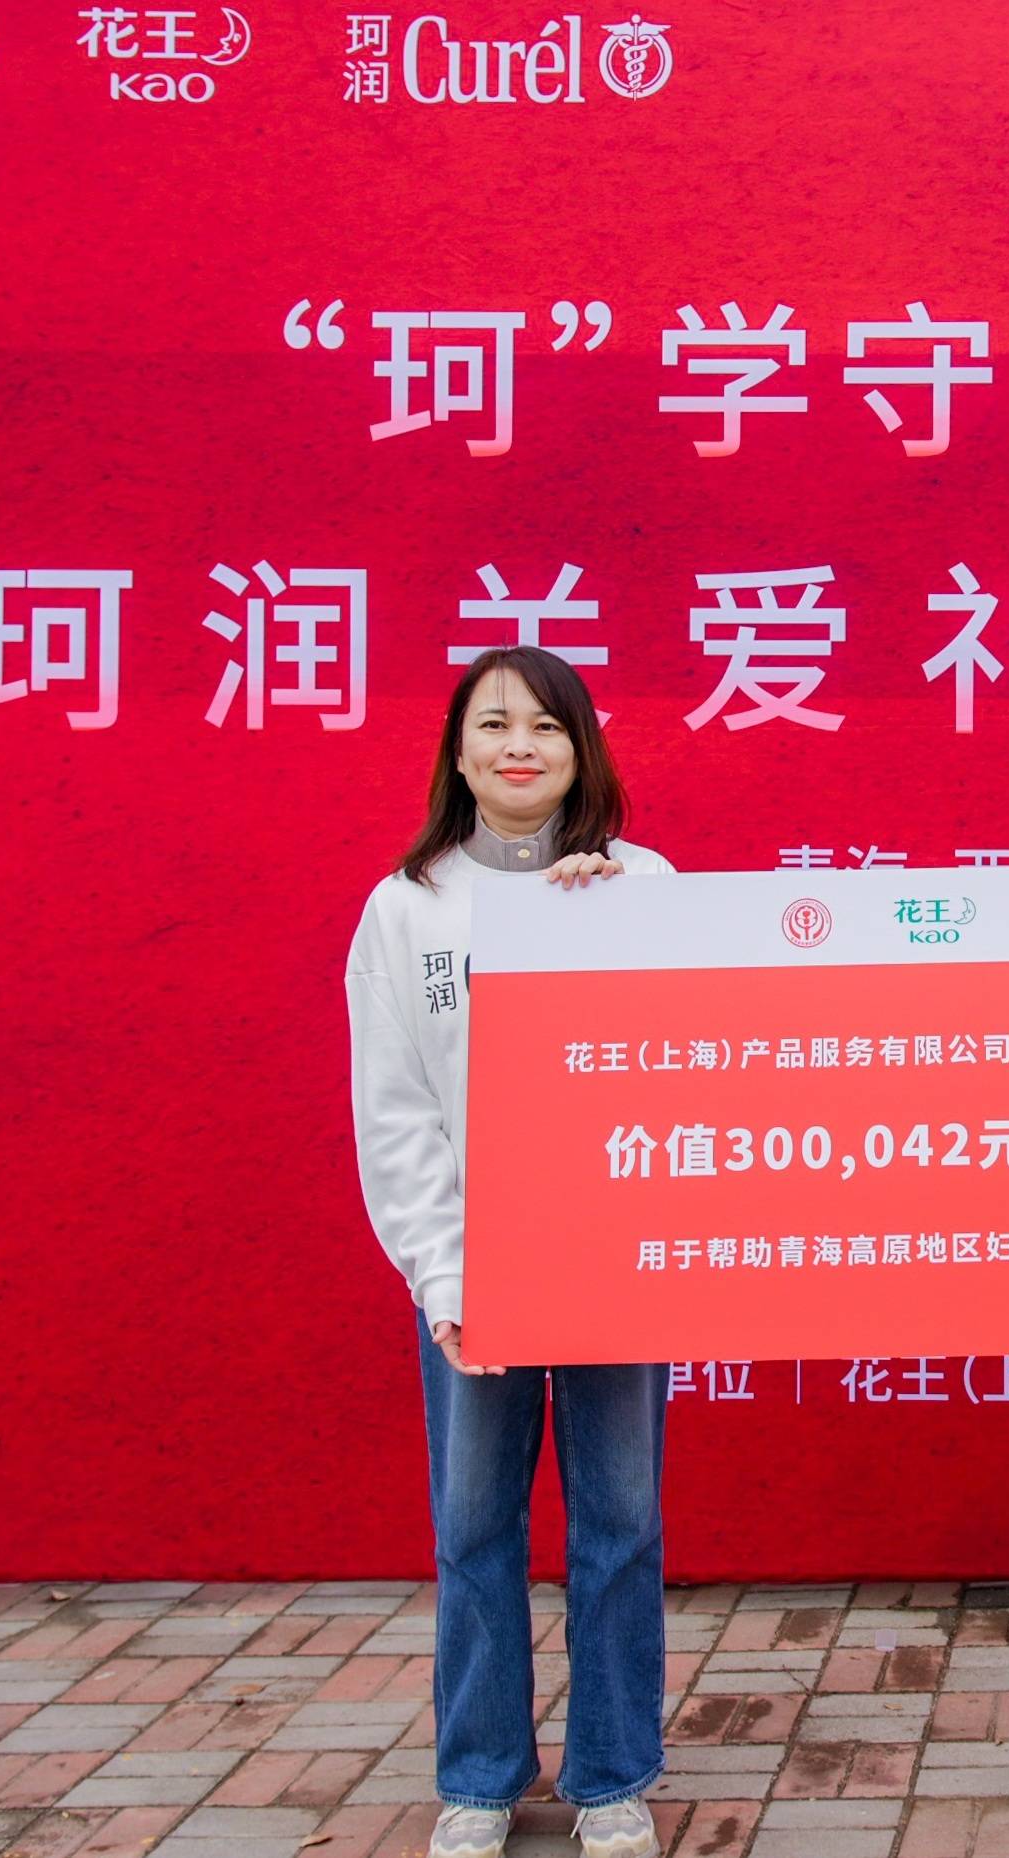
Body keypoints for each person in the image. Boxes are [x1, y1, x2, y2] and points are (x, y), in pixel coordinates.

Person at [345, 646, 677, 1858]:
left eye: (545, 725)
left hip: (613, 1266)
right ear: (458, 751)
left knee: (620, 1523)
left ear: (583, 749)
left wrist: (617, 925)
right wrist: (442, 1275)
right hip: (475, 1271)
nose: (519, 745)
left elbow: (696, 1066)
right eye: (493, 725)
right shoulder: (407, 905)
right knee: (475, 1525)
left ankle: (612, 1775)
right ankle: (481, 1778)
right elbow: (396, 1111)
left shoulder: (645, 884)